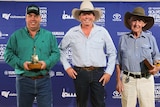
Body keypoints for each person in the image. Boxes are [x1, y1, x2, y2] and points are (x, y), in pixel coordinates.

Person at [59, 1, 117, 107]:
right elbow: (60, 50)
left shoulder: (102, 32)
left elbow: (112, 53)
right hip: (80, 73)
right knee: (81, 104)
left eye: (89, 13)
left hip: (98, 74)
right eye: (84, 14)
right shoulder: (72, 33)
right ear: (80, 17)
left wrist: (108, 72)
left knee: (99, 104)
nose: (86, 17)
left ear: (93, 17)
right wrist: (67, 67)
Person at [4, 4, 60, 107]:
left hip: (44, 80)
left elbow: (56, 53)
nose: (33, 19)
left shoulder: (49, 36)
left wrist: (46, 63)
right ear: (26, 18)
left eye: (35, 16)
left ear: (40, 18)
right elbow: (7, 54)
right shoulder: (16, 36)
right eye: (30, 16)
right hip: (23, 80)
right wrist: (21, 63)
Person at [116, 7, 160, 107]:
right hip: (127, 81)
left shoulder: (150, 38)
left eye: (139, 21)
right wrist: (118, 81)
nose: (136, 24)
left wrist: (157, 67)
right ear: (129, 21)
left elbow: (157, 58)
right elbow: (118, 62)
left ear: (144, 24)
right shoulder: (123, 39)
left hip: (146, 80)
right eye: (134, 20)